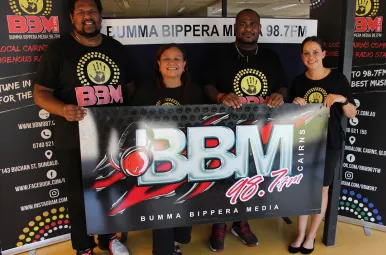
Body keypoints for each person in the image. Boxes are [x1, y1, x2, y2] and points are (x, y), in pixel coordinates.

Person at [33, 0, 134, 254]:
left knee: (111, 190)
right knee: (78, 197)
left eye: (92, 11)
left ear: (100, 16)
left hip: (111, 138)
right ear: (72, 17)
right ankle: (83, 246)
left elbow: (131, 86)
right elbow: (40, 93)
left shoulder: (117, 49)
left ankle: (109, 238)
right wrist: (63, 110)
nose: (87, 17)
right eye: (81, 12)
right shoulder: (58, 50)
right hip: (73, 138)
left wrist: (122, 112)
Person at [203, 8, 288, 252]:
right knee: (222, 177)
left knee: (250, 176)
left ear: (260, 28)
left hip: (259, 130)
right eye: (243, 23)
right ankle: (218, 224)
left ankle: (241, 222)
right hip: (225, 129)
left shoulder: (271, 57)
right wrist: (220, 95)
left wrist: (278, 96)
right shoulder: (220, 55)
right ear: (235, 27)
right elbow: (206, 85)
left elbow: (283, 85)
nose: (248, 28)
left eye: (253, 24)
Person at [129, 43, 202, 255]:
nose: (172, 63)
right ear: (159, 64)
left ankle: (175, 242)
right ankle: (163, 250)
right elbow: (130, 123)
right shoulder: (145, 92)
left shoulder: (195, 91)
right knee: (162, 208)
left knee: (182, 207)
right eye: (166, 59)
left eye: (177, 59)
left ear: (185, 64)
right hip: (155, 163)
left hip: (188, 161)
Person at [287, 36, 357, 254]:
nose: (311, 57)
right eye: (306, 53)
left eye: (316, 52)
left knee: (321, 189)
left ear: (324, 54)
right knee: (303, 188)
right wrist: (294, 105)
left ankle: (311, 236)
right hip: (304, 142)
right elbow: (290, 117)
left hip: (329, 142)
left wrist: (341, 100)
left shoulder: (338, 79)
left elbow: (352, 113)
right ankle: (299, 234)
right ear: (301, 57)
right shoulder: (298, 81)